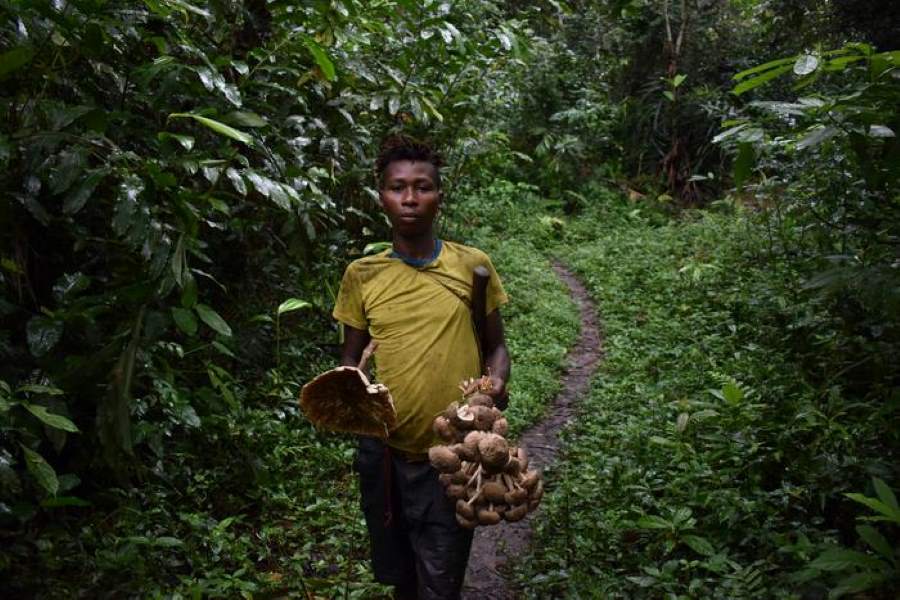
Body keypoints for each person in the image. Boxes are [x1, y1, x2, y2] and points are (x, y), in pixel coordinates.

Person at [332, 135, 510, 600]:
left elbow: (497, 347)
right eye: (397, 187)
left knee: (440, 579)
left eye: (422, 187)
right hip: (385, 455)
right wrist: (354, 390)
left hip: (454, 456)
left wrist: (497, 384)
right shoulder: (362, 275)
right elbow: (350, 359)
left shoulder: (473, 266)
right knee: (401, 577)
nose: (410, 198)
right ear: (381, 198)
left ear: (439, 196)